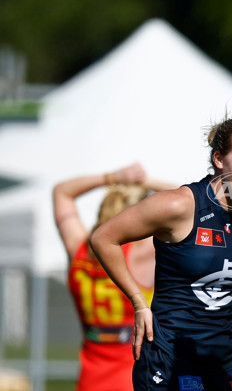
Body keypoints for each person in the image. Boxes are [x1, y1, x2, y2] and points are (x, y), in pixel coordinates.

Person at [89, 118, 232, 391]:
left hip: (221, 359)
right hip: (170, 355)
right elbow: (103, 238)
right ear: (219, 159)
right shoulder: (178, 205)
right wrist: (139, 304)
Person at [53, 162, 175, 391]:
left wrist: (113, 177)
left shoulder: (79, 249)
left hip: (90, 380)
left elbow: (62, 192)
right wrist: (144, 182)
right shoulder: (142, 252)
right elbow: (191, 205)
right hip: (136, 378)